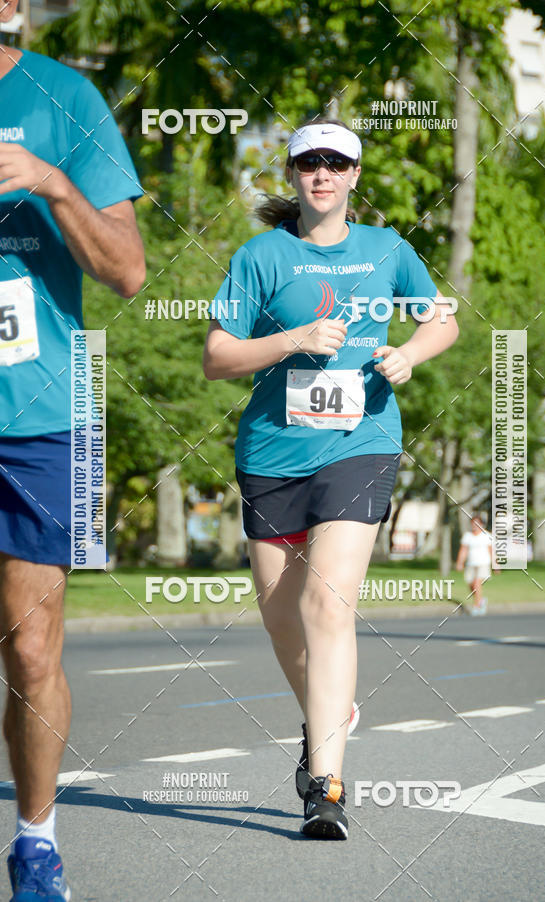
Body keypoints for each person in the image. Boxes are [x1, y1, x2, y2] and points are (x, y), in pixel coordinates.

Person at [204, 118, 458, 839]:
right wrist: (292, 340)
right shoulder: (260, 257)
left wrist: (412, 353)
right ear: (291, 175)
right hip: (271, 454)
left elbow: (443, 321)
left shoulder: (388, 249)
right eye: (308, 162)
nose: (321, 174)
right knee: (283, 620)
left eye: (335, 163)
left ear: (353, 176)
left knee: (327, 605)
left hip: (362, 441)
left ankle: (327, 786)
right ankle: (326, 717)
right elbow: (217, 357)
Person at [0, 3, 145, 897]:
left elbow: (128, 270)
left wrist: (52, 182)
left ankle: (36, 839)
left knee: (29, 647)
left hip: (41, 415)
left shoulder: (63, 97)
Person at [456, 514, 498, 615]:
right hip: (471, 563)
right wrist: (460, 562)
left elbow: (491, 551)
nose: (474, 526)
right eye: (473, 524)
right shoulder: (468, 536)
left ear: (481, 524)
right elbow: (463, 550)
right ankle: (481, 600)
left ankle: (476, 606)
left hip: (483, 563)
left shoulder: (486, 536)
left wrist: (496, 565)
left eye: (477, 523)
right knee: (471, 585)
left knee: (476, 582)